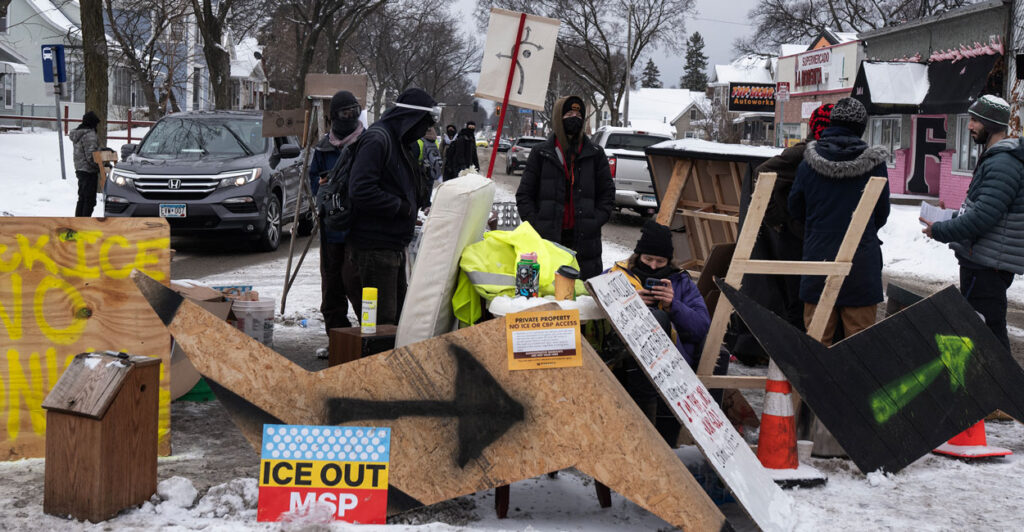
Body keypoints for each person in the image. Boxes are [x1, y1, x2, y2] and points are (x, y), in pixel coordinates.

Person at [922, 95, 1024, 350]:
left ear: (991, 123)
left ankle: (1004, 389)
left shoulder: (1002, 163)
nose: (969, 126)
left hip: (986, 266)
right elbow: (980, 209)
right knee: (983, 332)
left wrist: (941, 230)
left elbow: (983, 218)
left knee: (987, 337)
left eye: (975, 121)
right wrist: (951, 215)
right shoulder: (996, 158)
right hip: (983, 261)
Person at [789, 97, 890, 344]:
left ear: (831, 124)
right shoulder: (875, 165)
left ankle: (814, 385)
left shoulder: (807, 164)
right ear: (861, 127)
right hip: (861, 265)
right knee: (859, 349)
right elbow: (881, 213)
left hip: (817, 262)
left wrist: (817, 230)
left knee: (817, 344)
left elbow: (795, 208)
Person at [606, 220, 711, 441]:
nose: (653, 266)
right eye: (648, 259)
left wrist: (675, 306)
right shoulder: (615, 275)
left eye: (660, 261)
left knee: (660, 317)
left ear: (669, 260)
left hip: (671, 367)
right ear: (638, 256)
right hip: (625, 364)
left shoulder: (682, 282)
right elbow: (595, 301)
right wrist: (629, 303)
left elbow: (702, 326)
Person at [347, 87, 437, 325]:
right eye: (422, 126)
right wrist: (401, 208)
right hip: (375, 246)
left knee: (395, 320)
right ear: (411, 119)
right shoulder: (378, 139)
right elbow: (360, 190)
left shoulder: (400, 142)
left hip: (392, 246)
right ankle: (375, 361)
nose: (422, 133)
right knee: (382, 324)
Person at [515, 95, 615, 279]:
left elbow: (607, 195)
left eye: (578, 114)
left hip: (586, 243)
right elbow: (524, 196)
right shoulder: (541, 153)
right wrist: (538, 225)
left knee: (582, 299)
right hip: (548, 240)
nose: (574, 117)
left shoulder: (595, 154)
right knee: (549, 295)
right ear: (558, 118)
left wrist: (594, 221)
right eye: (569, 113)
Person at [310, 90, 364, 333]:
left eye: (354, 112)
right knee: (331, 286)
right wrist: (322, 187)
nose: (350, 117)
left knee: (355, 283)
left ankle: (370, 336)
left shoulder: (367, 142)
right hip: (331, 228)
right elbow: (313, 180)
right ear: (334, 117)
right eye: (345, 113)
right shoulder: (323, 148)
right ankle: (337, 338)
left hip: (357, 228)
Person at [70, 111, 101, 216]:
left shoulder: (78, 134)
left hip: (80, 170)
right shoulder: (90, 135)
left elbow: (85, 152)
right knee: (90, 201)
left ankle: (78, 223)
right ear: (92, 123)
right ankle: (84, 225)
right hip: (89, 172)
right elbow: (91, 156)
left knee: (82, 199)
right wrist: (101, 166)